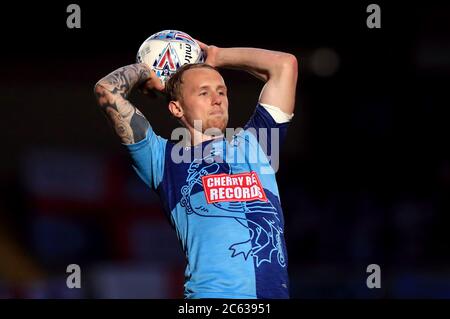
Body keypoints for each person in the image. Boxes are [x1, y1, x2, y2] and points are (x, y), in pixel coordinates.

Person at [94, 39, 298, 299]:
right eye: (204, 92)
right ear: (176, 107)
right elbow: (106, 90)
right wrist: (147, 70)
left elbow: (285, 65)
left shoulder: (256, 144)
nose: (217, 99)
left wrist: (216, 55)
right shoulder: (163, 159)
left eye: (222, 91)